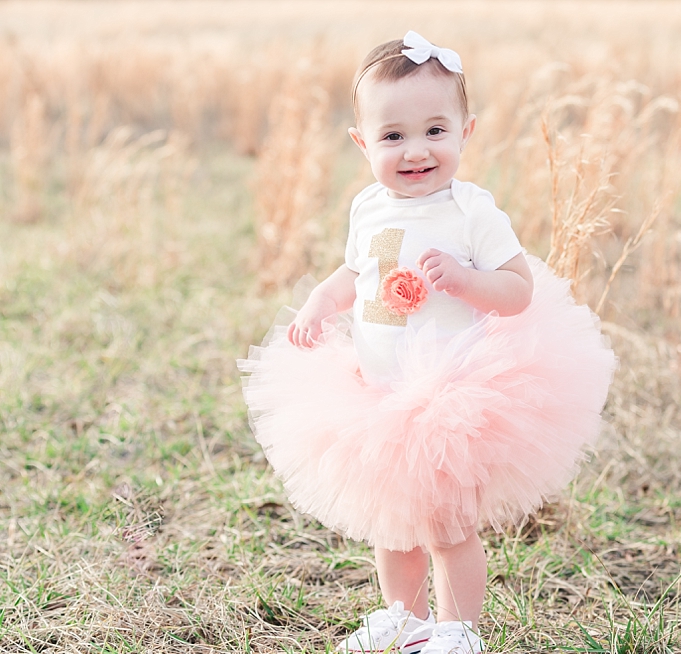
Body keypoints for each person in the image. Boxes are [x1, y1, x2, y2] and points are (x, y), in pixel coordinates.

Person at [238, 31, 616, 654]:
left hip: (453, 399)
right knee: (391, 526)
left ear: (466, 131)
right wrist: (317, 302)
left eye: (434, 131)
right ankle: (403, 617)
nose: (415, 150)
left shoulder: (472, 212)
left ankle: (456, 628)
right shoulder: (369, 209)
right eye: (393, 136)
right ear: (363, 143)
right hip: (377, 395)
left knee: (447, 527)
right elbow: (356, 274)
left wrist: (469, 281)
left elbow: (518, 289)